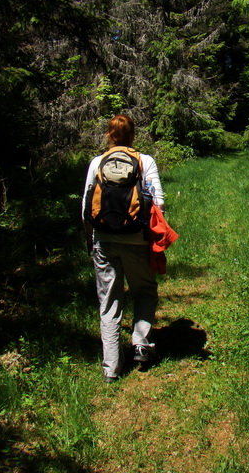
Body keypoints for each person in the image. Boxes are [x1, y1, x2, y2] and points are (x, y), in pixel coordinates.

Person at [82, 114, 165, 383]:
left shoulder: (97, 163)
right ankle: (141, 343)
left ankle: (111, 368)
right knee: (144, 290)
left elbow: (85, 207)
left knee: (109, 302)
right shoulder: (144, 161)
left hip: (104, 240)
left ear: (109, 135)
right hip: (137, 239)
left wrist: (90, 240)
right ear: (132, 135)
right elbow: (158, 204)